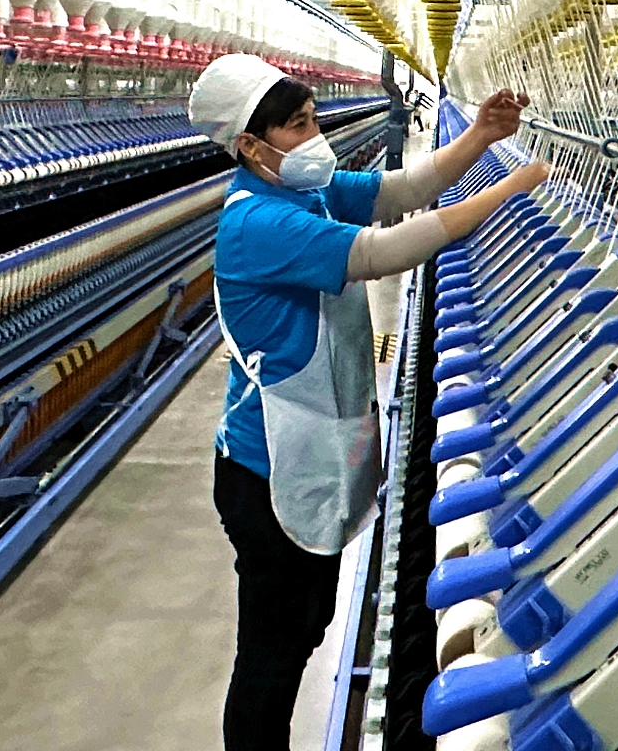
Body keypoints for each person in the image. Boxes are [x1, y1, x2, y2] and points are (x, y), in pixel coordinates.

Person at [185, 54, 550, 751]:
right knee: (271, 654)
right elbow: (387, 250)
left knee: (300, 626)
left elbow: (405, 187)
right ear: (250, 146)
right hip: (266, 470)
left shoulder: (303, 193)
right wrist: (510, 189)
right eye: (298, 125)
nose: (315, 135)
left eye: (313, 119)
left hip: (305, 452)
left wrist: (482, 136)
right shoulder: (256, 222)